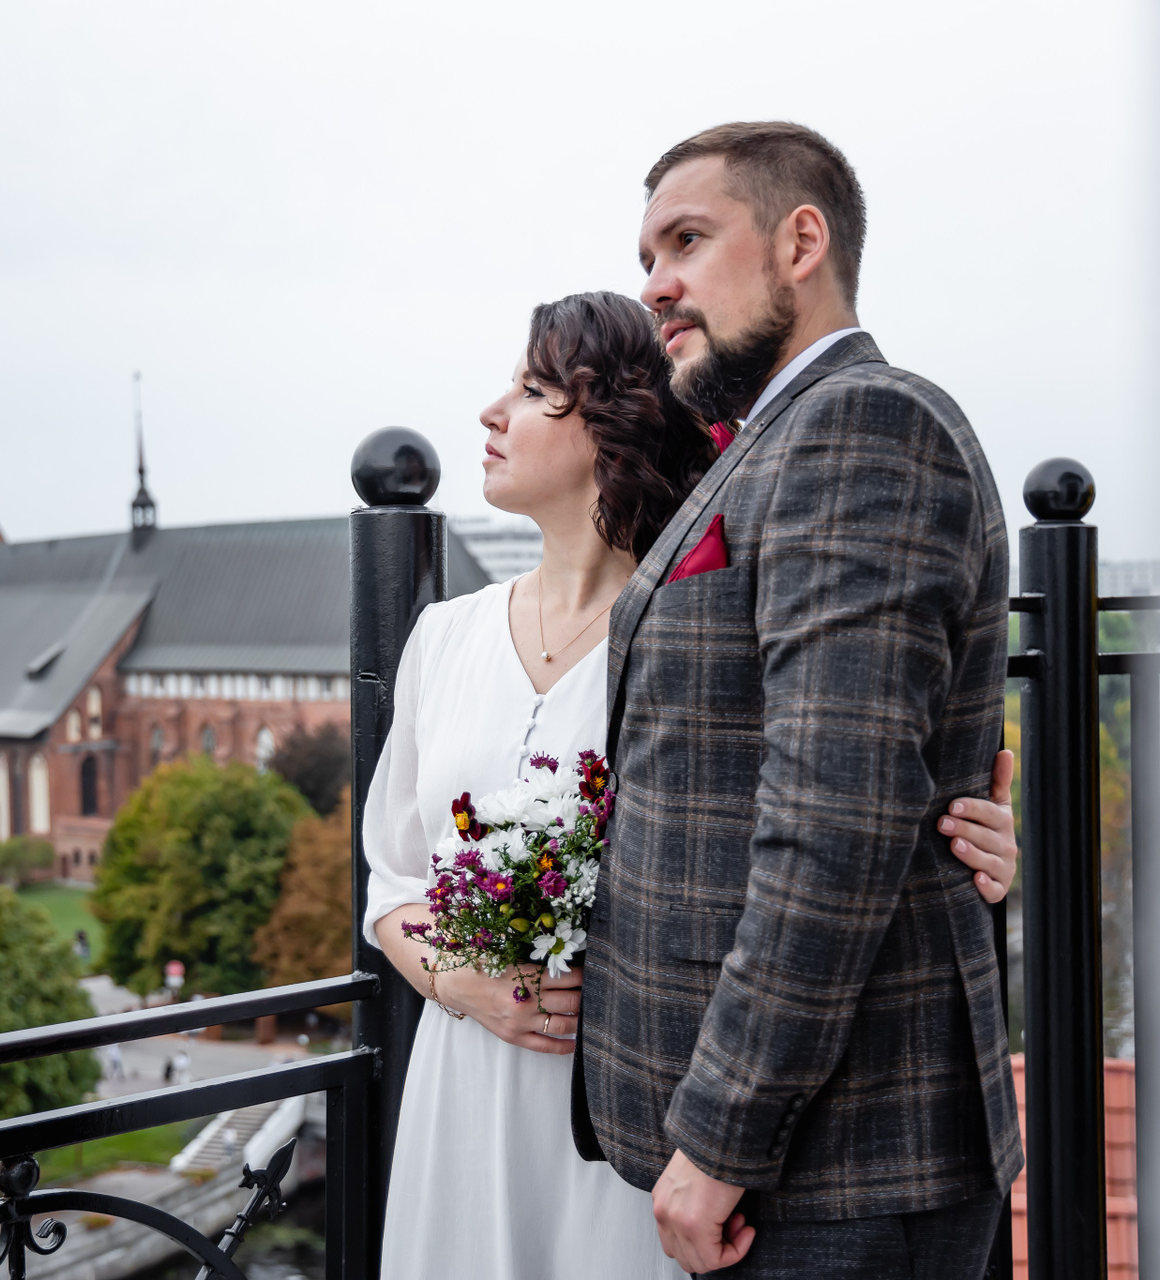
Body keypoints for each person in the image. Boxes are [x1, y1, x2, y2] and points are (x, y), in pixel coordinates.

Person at [363, 291, 1019, 1279]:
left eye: (534, 391)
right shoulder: (443, 636)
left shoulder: (701, 638)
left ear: (616, 423)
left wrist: (965, 847)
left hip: (638, 1096)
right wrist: (459, 983)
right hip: (466, 1085)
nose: (492, 413)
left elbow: (831, 798)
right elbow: (392, 877)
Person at [573, 122, 1023, 1279]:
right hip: (795, 1166)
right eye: (646, 255)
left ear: (800, 242)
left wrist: (723, 1133)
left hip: (838, 1166)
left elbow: (837, 817)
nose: (654, 285)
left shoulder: (863, 423)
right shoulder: (767, 437)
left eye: (686, 240)